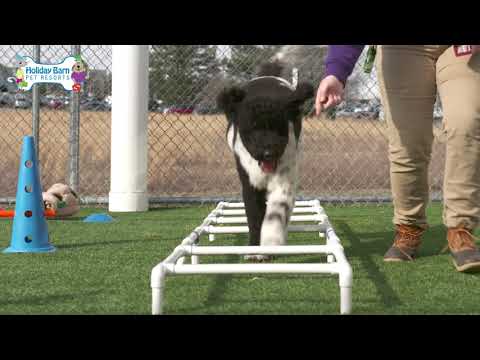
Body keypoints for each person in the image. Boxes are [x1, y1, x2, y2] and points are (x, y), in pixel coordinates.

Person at [316, 45, 480, 273]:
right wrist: (336, 71)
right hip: (402, 50)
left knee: (466, 125)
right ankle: (409, 227)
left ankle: (460, 229)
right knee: (407, 142)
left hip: (461, 49)